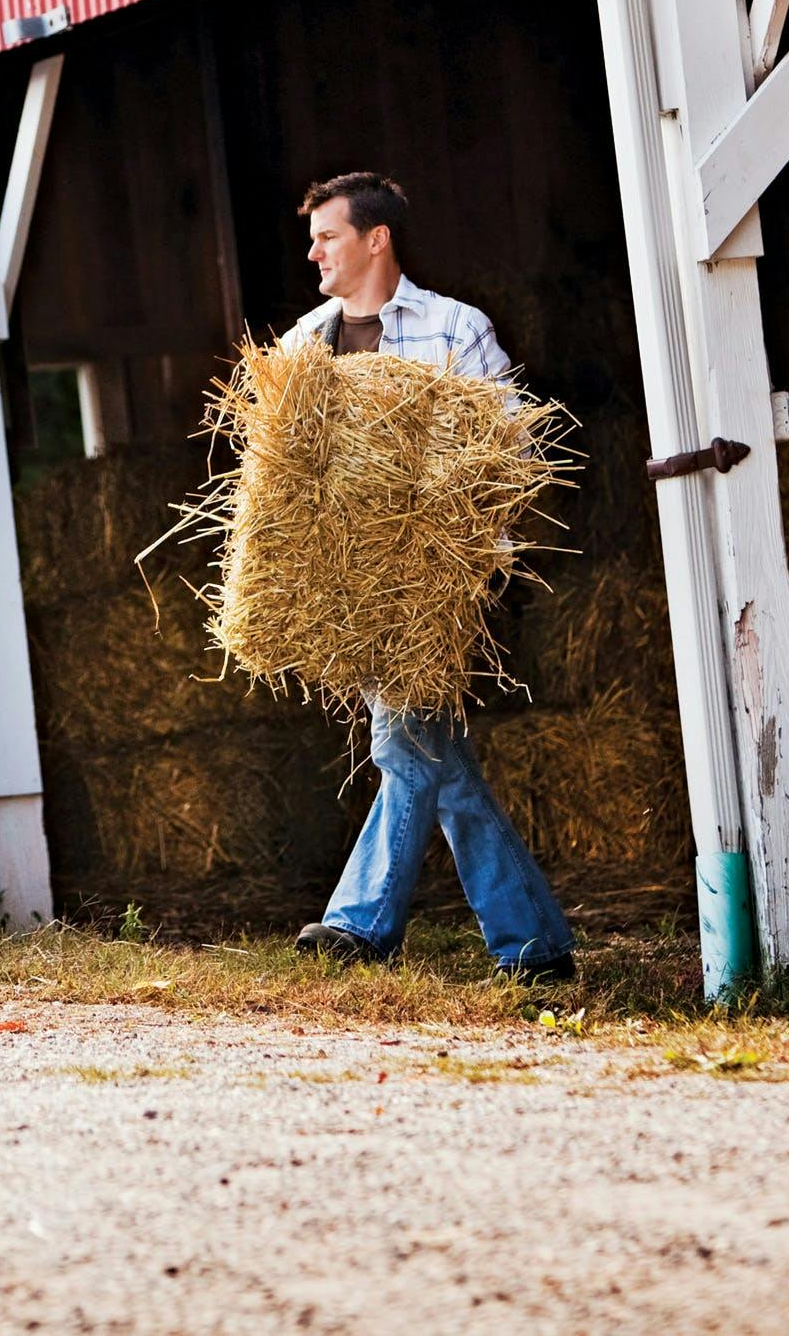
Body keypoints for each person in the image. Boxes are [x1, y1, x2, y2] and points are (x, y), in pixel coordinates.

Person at [283, 171, 577, 983]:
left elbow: (515, 454)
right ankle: (534, 943)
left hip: (434, 589)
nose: (313, 251)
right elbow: (276, 480)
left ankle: (360, 924)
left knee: (403, 741)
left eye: (329, 236)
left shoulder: (455, 330)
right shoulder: (303, 348)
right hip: (344, 591)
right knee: (440, 761)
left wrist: (474, 557)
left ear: (377, 238)